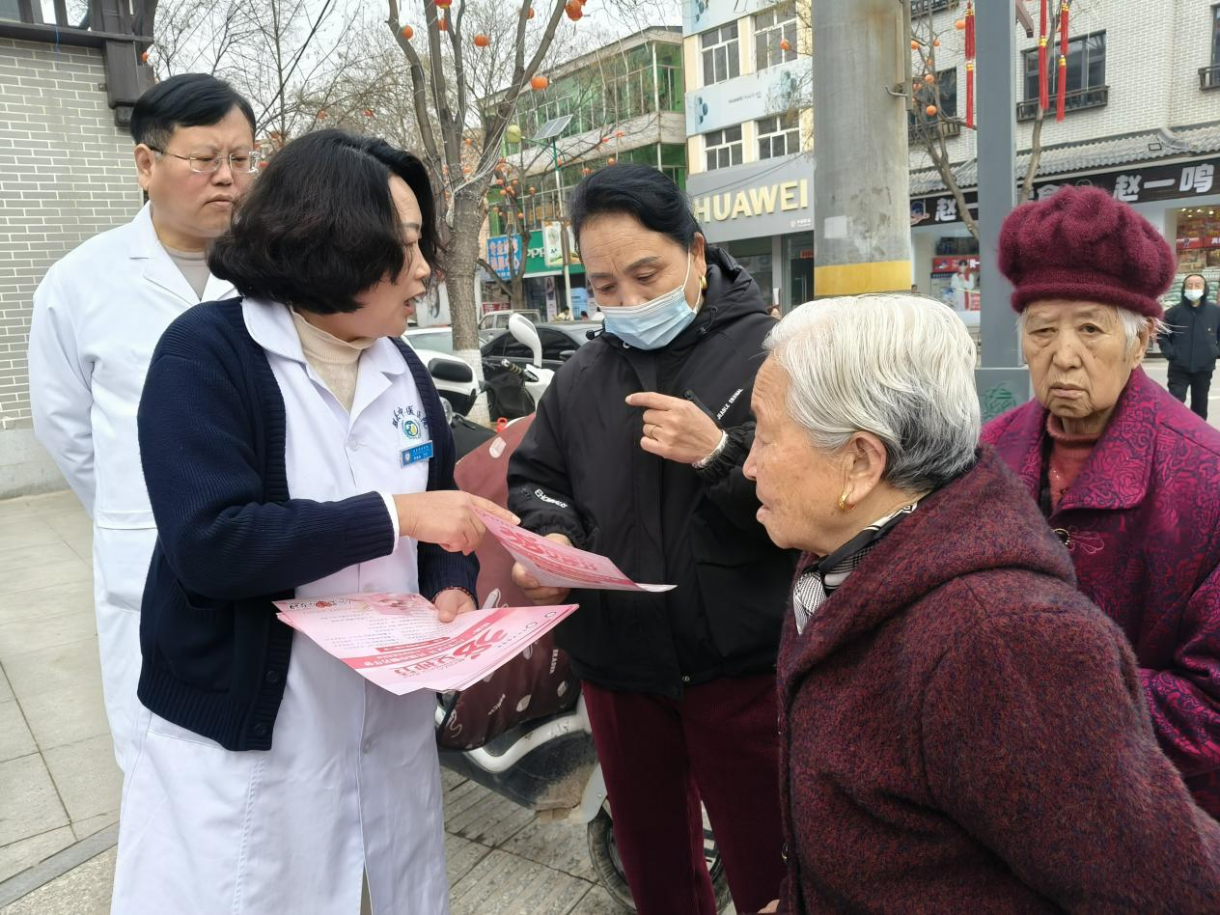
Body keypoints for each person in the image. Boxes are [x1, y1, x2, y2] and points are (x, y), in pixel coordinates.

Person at [109, 130, 515, 914]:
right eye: (403, 246)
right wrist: (393, 516)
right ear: (332, 246)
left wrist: (451, 587)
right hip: (257, 745)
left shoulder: (401, 367)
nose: (425, 270)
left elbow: (437, 518)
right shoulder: (208, 354)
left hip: (385, 730)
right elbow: (211, 542)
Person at [746, 294, 1220, 913]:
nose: (748, 465)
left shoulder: (999, 641)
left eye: (764, 435)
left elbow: (1167, 889)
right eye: (1042, 331)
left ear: (860, 462)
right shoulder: (840, 556)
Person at [508, 164, 794, 915]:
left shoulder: (775, 354)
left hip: (743, 670)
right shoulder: (580, 376)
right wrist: (555, 539)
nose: (629, 303)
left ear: (695, 251)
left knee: (776, 872)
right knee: (655, 871)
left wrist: (719, 454)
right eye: (605, 286)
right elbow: (537, 479)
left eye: (646, 275)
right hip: (620, 667)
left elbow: (814, 502)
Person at [28, 74, 257, 772]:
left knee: (264, 751)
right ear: (145, 163)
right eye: (206, 159)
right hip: (146, 554)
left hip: (261, 548)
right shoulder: (80, 282)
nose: (227, 177)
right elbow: (65, 425)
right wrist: (132, 506)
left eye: (242, 158)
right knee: (158, 756)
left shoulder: (273, 275)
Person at [983, 186, 1220, 818]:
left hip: (1148, 812)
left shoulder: (1207, 478)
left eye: (1090, 329)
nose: (1062, 356)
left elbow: (1212, 704)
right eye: (1042, 330)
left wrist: (1052, 689)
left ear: (1140, 343)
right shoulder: (986, 454)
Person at [1159, 273, 1219, 419]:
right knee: (1175, 403)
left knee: (1200, 406)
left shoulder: (1216, 312)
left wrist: (1215, 352)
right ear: (1183, 288)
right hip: (1178, 368)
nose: (1193, 288)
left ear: (1205, 288)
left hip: (1204, 368)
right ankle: (1173, 430)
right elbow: (1162, 335)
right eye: (1189, 285)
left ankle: (1198, 432)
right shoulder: (1172, 313)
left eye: (1197, 285)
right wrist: (1170, 352)